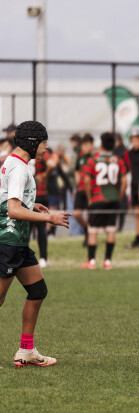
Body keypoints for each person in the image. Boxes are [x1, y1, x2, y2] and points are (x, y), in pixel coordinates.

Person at [0, 120, 71, 369]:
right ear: (32, 143)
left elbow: (10, 201)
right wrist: (49, 218)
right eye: (43, 143)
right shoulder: (20, 169)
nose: (45, 148)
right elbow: (13, 210)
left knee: (38, 290)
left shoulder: (12, 162)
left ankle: (26, 351)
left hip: (18, 243)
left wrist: (32, 205)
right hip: (7, 242)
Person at [80, 132, 127, 270]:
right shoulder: (118, 160)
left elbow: (86, 180)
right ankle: (107, 261)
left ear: (101, 143)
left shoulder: (93, 159)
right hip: (113, 199)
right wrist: (119, 197)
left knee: (93, 230)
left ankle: (91, 261)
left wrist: (89, 198)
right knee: (111, 229)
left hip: (97, 198)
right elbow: (124, 181)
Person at [30, 146, 56, 268]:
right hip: (40, 193)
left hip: (28, 195)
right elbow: (52, 164)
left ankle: (23, 257)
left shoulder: (22, 154)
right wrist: (45, 174)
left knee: (26, 229)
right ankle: (43, 258)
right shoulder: (39, 155)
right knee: (41, 228)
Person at [73, 134, 95, 245]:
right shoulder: (80, 157)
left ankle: (89, 237)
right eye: (83, 145)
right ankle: (87, 229)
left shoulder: (95, 157)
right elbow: (76, 169)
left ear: (92, 145)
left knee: (89, 214)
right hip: (80, 190)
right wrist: (78, 180)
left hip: (91, 190)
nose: (85, 147)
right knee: (77, 214)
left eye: (87, 145)